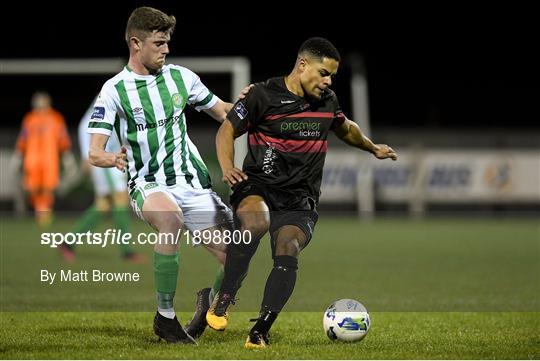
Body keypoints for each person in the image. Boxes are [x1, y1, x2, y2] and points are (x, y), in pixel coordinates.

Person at [206, 37, 398, 348]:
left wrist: (372, 147)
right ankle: (225, 294)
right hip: (259, 185)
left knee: (288, 247)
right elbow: (227, 129)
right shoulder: (262, 94)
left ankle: (260, 329)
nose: (329, 81)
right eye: (324, 73)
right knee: (255, 223)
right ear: (303, 64)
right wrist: (227, 165)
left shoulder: (327, 102)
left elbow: (345, 127)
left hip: (300, 199)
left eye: (332, 75)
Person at [87, 7, 246, 344]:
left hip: (192, 184)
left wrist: (256, 106)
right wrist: (110, 158)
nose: (166, 49)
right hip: (148, 184)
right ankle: (165, 317)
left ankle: (207, 306)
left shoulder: (181, 78)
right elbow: (94, 150)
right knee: (170, 219)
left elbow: (221, 112)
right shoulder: (115, 90)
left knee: (239, 254)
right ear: (135, 43)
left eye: (167, 42)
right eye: (159, 43)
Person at [58, 98, 146, 264]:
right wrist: (87, 155)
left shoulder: (111, 106)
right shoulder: (103, 104)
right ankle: (127, 252)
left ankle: (68, 243)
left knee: (103, 205)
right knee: (120, 200)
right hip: (103, 162)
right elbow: (86, 127)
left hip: (110, 160)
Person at [15, 91, 75, 228]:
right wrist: (18, 156)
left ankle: (44, 213)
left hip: (49, 159)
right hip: (32, 159)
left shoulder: (56, 118)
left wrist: (67, 157)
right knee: (33, 187)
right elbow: (23, 139)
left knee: (48, 187)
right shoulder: (29, 119)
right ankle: (40, 212)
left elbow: (62, 139)